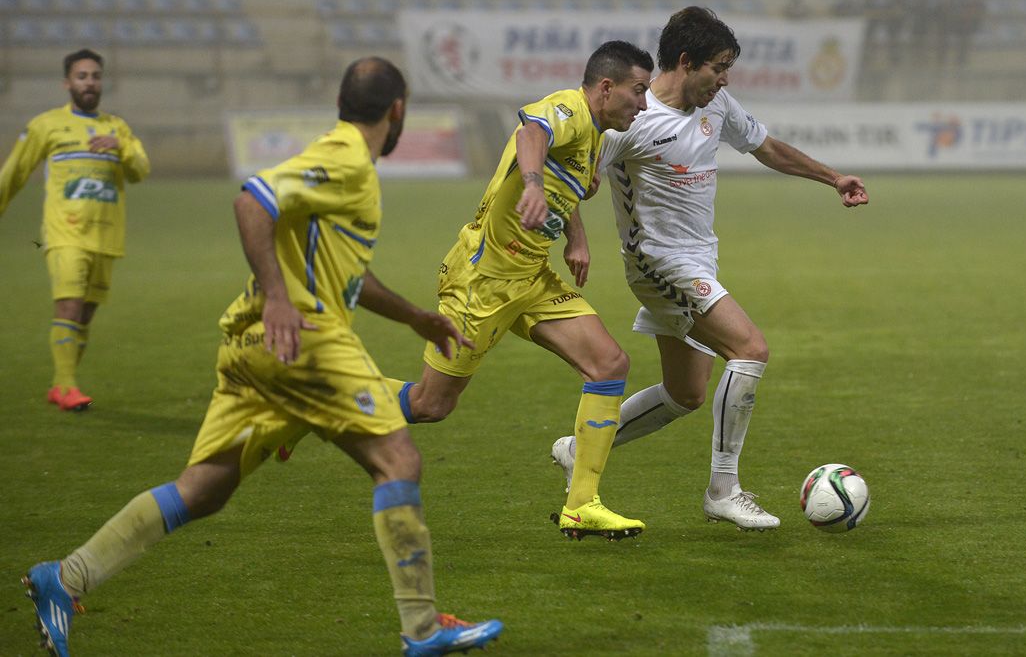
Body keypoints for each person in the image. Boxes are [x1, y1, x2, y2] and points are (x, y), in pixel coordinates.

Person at [22, 57, 502, 657]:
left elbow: (342, 269)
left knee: (202, 489)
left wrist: (414, 317)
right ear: (397, 110)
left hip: (251, 346)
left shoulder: (343, 159)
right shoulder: (348, 156)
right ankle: (422, 628)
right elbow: (252, 201)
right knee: (398, 461)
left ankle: (63, 579)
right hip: (304, 340)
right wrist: (278, 296)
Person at [550, 7, 870, 531]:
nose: (724, 79)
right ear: (685, 61)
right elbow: (576, 180)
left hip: (700, 257)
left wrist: (832, 177)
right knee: (750, 349)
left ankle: (576, 448)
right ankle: (724, 490)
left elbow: (766, 147)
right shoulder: (634, 119)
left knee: (686, 394)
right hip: (657, 263)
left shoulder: (715, 105)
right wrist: (576, 238)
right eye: (718, 67)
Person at [391, 40, 653, 541]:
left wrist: (576, 237)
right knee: (430, 405)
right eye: (637, 91)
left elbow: (565, 186)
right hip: (482, 279)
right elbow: (531, 134)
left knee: (609, 364)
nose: (642, 104)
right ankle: (320, 397)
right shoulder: (569, 109)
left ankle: (583, 505)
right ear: (605, 87)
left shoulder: (597, 133)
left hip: (531, 278)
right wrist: (531, 183)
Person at [0, 48, 150, 412]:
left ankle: (60, 386)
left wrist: (122, 148)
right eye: (82, 76)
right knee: (69, 305)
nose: (90, 82)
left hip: (106, 237)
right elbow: (15, 172)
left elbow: (140, 170)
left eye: (96, 76)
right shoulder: (46, 125)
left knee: (84, 315)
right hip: (65, 232)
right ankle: (68, 387)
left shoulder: (117, 128)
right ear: (67, 83)